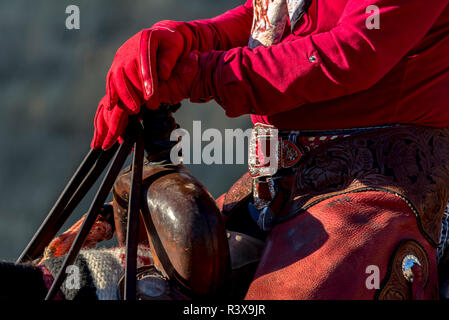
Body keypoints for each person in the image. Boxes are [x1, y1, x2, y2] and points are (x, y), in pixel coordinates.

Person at [90, 0, 449, 299]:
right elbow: (268, 16)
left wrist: (202, 75)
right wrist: (187, 42)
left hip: (380, 181)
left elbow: (355, 48)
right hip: (277, 180)